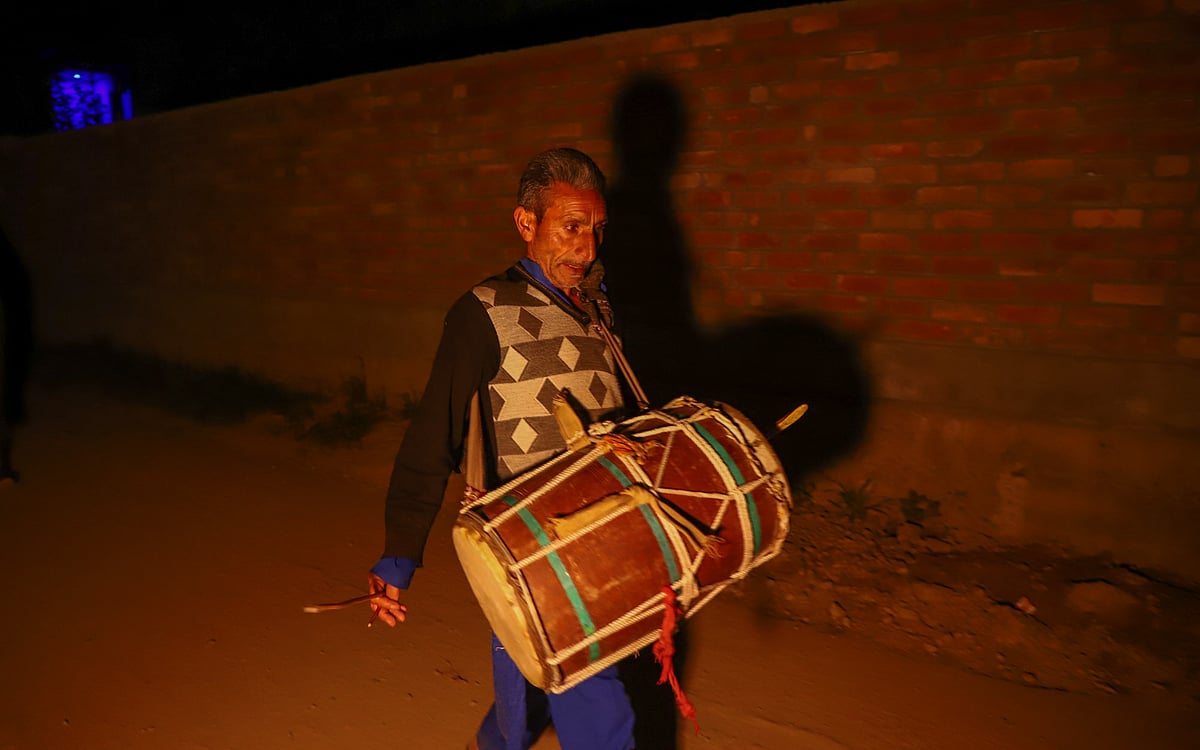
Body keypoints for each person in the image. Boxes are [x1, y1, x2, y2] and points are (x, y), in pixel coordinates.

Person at [367, 147, 638, 750]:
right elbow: (431, 436)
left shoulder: (598, 311)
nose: (588, 248)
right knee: (595, 704)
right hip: (531, 552)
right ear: (526, 223)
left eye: (596, 230)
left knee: (529, 696)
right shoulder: (482, 314)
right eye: (571, 228)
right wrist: (398, 558)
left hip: (603, 542)